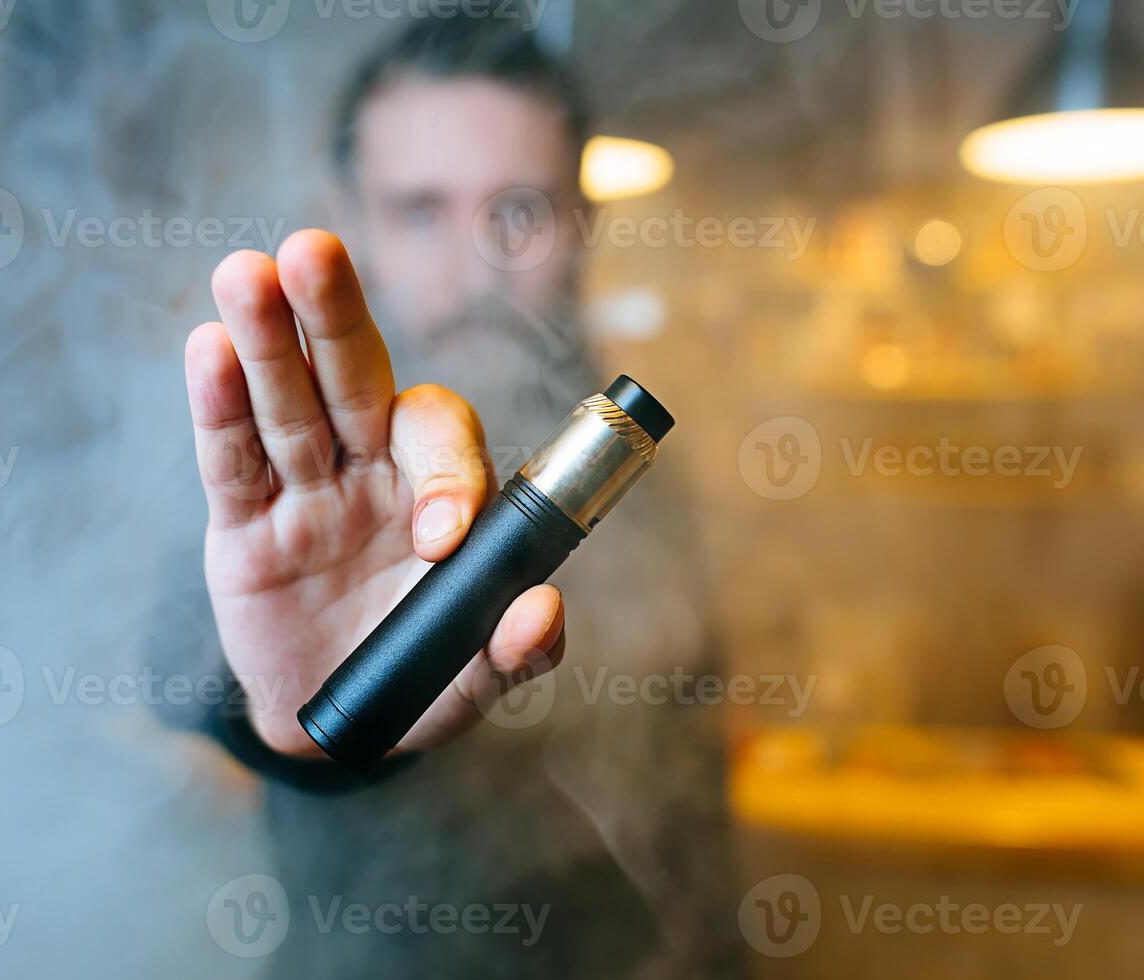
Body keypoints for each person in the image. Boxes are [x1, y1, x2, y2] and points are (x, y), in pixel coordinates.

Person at [173, 11, 742, 977]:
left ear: (584, 221)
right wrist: (302, 714)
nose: (477, 270)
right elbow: (193, 663)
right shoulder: (278, 463)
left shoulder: (625, 447)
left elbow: (693, 780)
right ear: (347, 213)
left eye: (518, 212)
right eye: (422, 212)